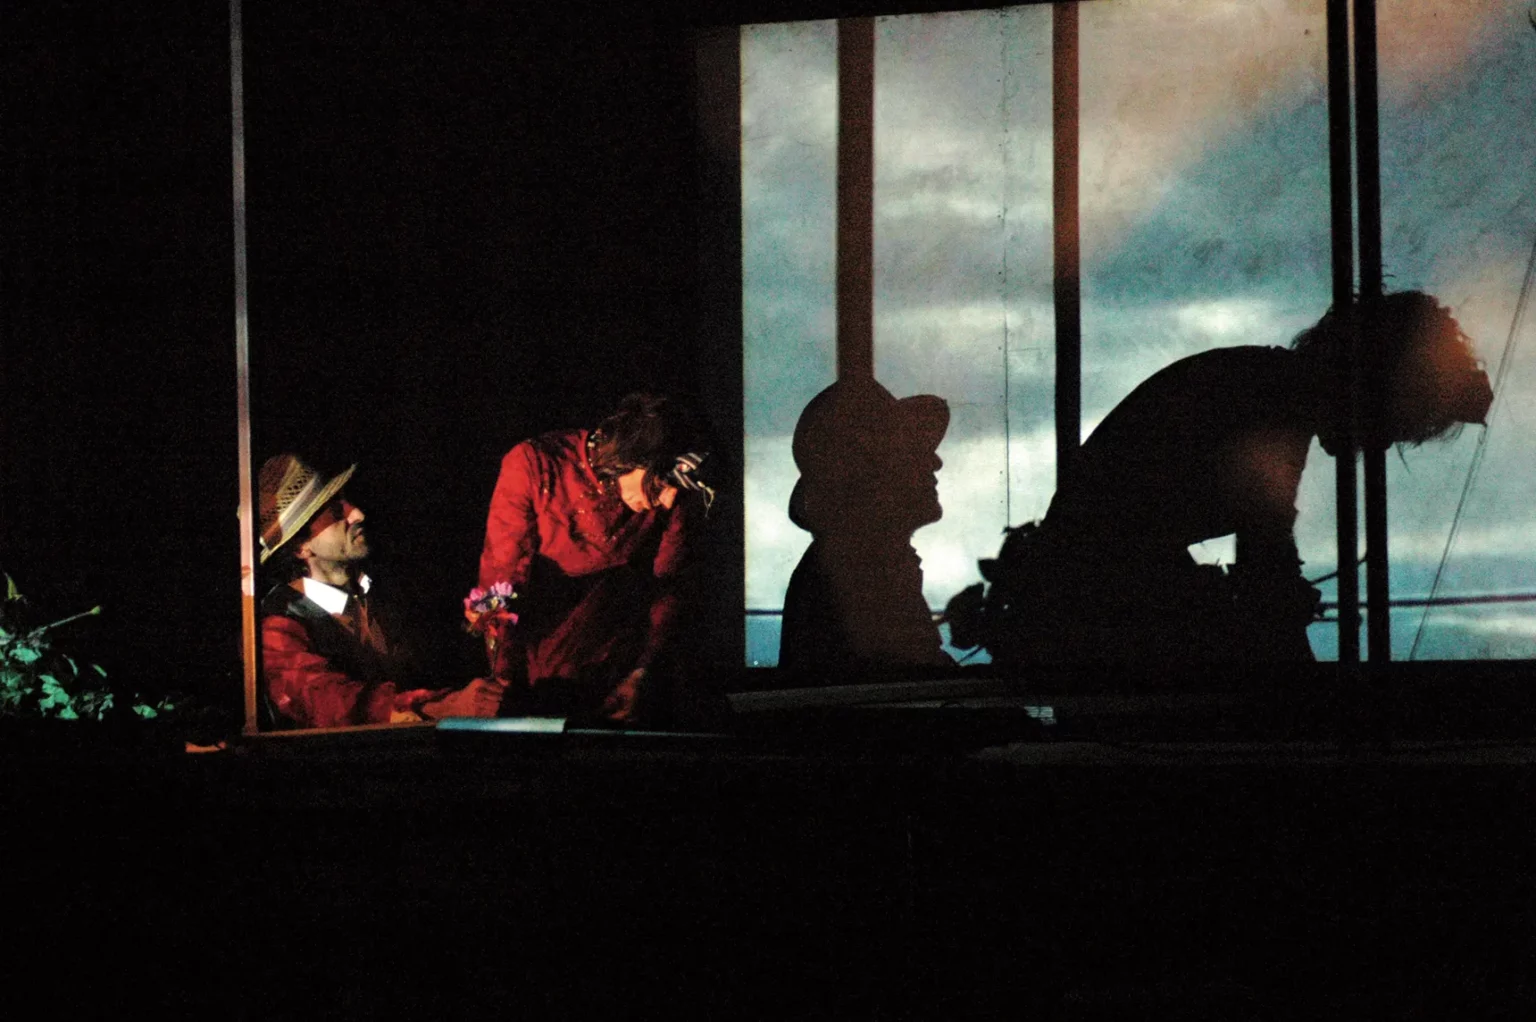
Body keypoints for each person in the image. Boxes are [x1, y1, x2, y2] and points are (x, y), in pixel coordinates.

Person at [958, 291, 1494, 667]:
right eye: (1394, 423)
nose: (1378, 444)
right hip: (1092, 623)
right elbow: (1265, 566)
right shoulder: (1269, 407)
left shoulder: (1259, 384)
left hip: (1083, 605)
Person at [477, 393, 717, 725]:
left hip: (628, 653)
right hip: (542, 651)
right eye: (662, 482)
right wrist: (502, 680)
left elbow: (671, 585)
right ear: (629, 457)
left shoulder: (672, 497)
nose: (669, 499)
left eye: (679, 488)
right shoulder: (536, 465)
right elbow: (501, 581)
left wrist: (642, 672)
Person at [258, 453, 505, 729]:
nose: (357, 513)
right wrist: (439, 707)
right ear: (300, 547)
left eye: (347, 501)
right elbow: (323, 698)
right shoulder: (278, 624)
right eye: (336, 512)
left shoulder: (387, 592)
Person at [778, 376, 953, 676]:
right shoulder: (863, 569)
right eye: (910, 451)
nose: (935, 462)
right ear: (872, 474)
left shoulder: (854, 561)